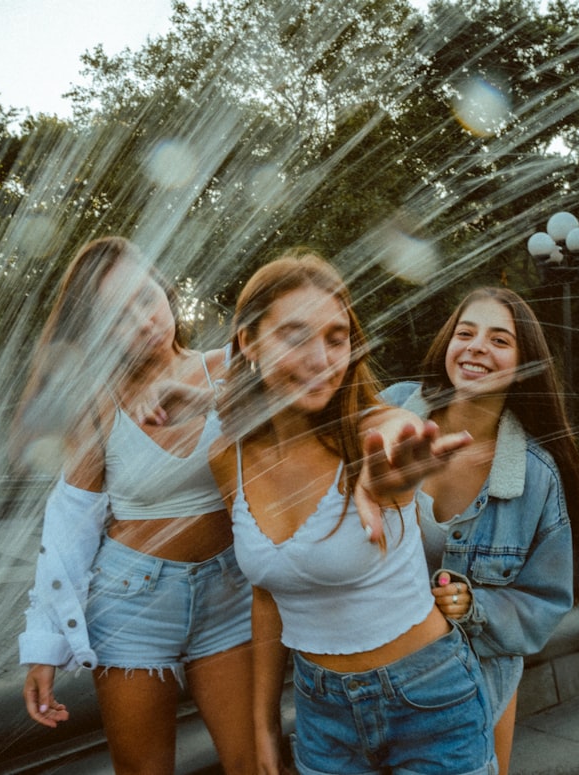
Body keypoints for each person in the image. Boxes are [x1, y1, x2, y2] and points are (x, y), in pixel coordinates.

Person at [209, 248, 497, 775]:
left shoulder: (374, 428)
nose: (321, 361)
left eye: (335, 338)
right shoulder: (229, 459)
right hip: (321, 716)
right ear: (248, 341)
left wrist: (389, 475)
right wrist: (263, 725)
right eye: (295, 336)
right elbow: (266, 595)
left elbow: (393, 435)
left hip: (430, 700)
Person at [13, 236, 254, 775]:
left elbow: (299, 397)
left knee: (256, 764)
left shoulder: (229, 368)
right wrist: (44, 643)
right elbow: (71, 521)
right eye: (118, 317)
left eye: (147, 299)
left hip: (230, 595)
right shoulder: (100, 402)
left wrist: (201, 397)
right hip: (131, 606)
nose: (144, 321)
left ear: (166, 292)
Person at [380, 286, 579, 775]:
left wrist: (473, 604)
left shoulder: (537, 478)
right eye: (466, 333)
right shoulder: (391, 412)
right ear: (447, 346)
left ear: (524, 364)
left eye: (500, 340)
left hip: (471, 682)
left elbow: (545, 598)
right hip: (367, 679)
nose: (477, 346)